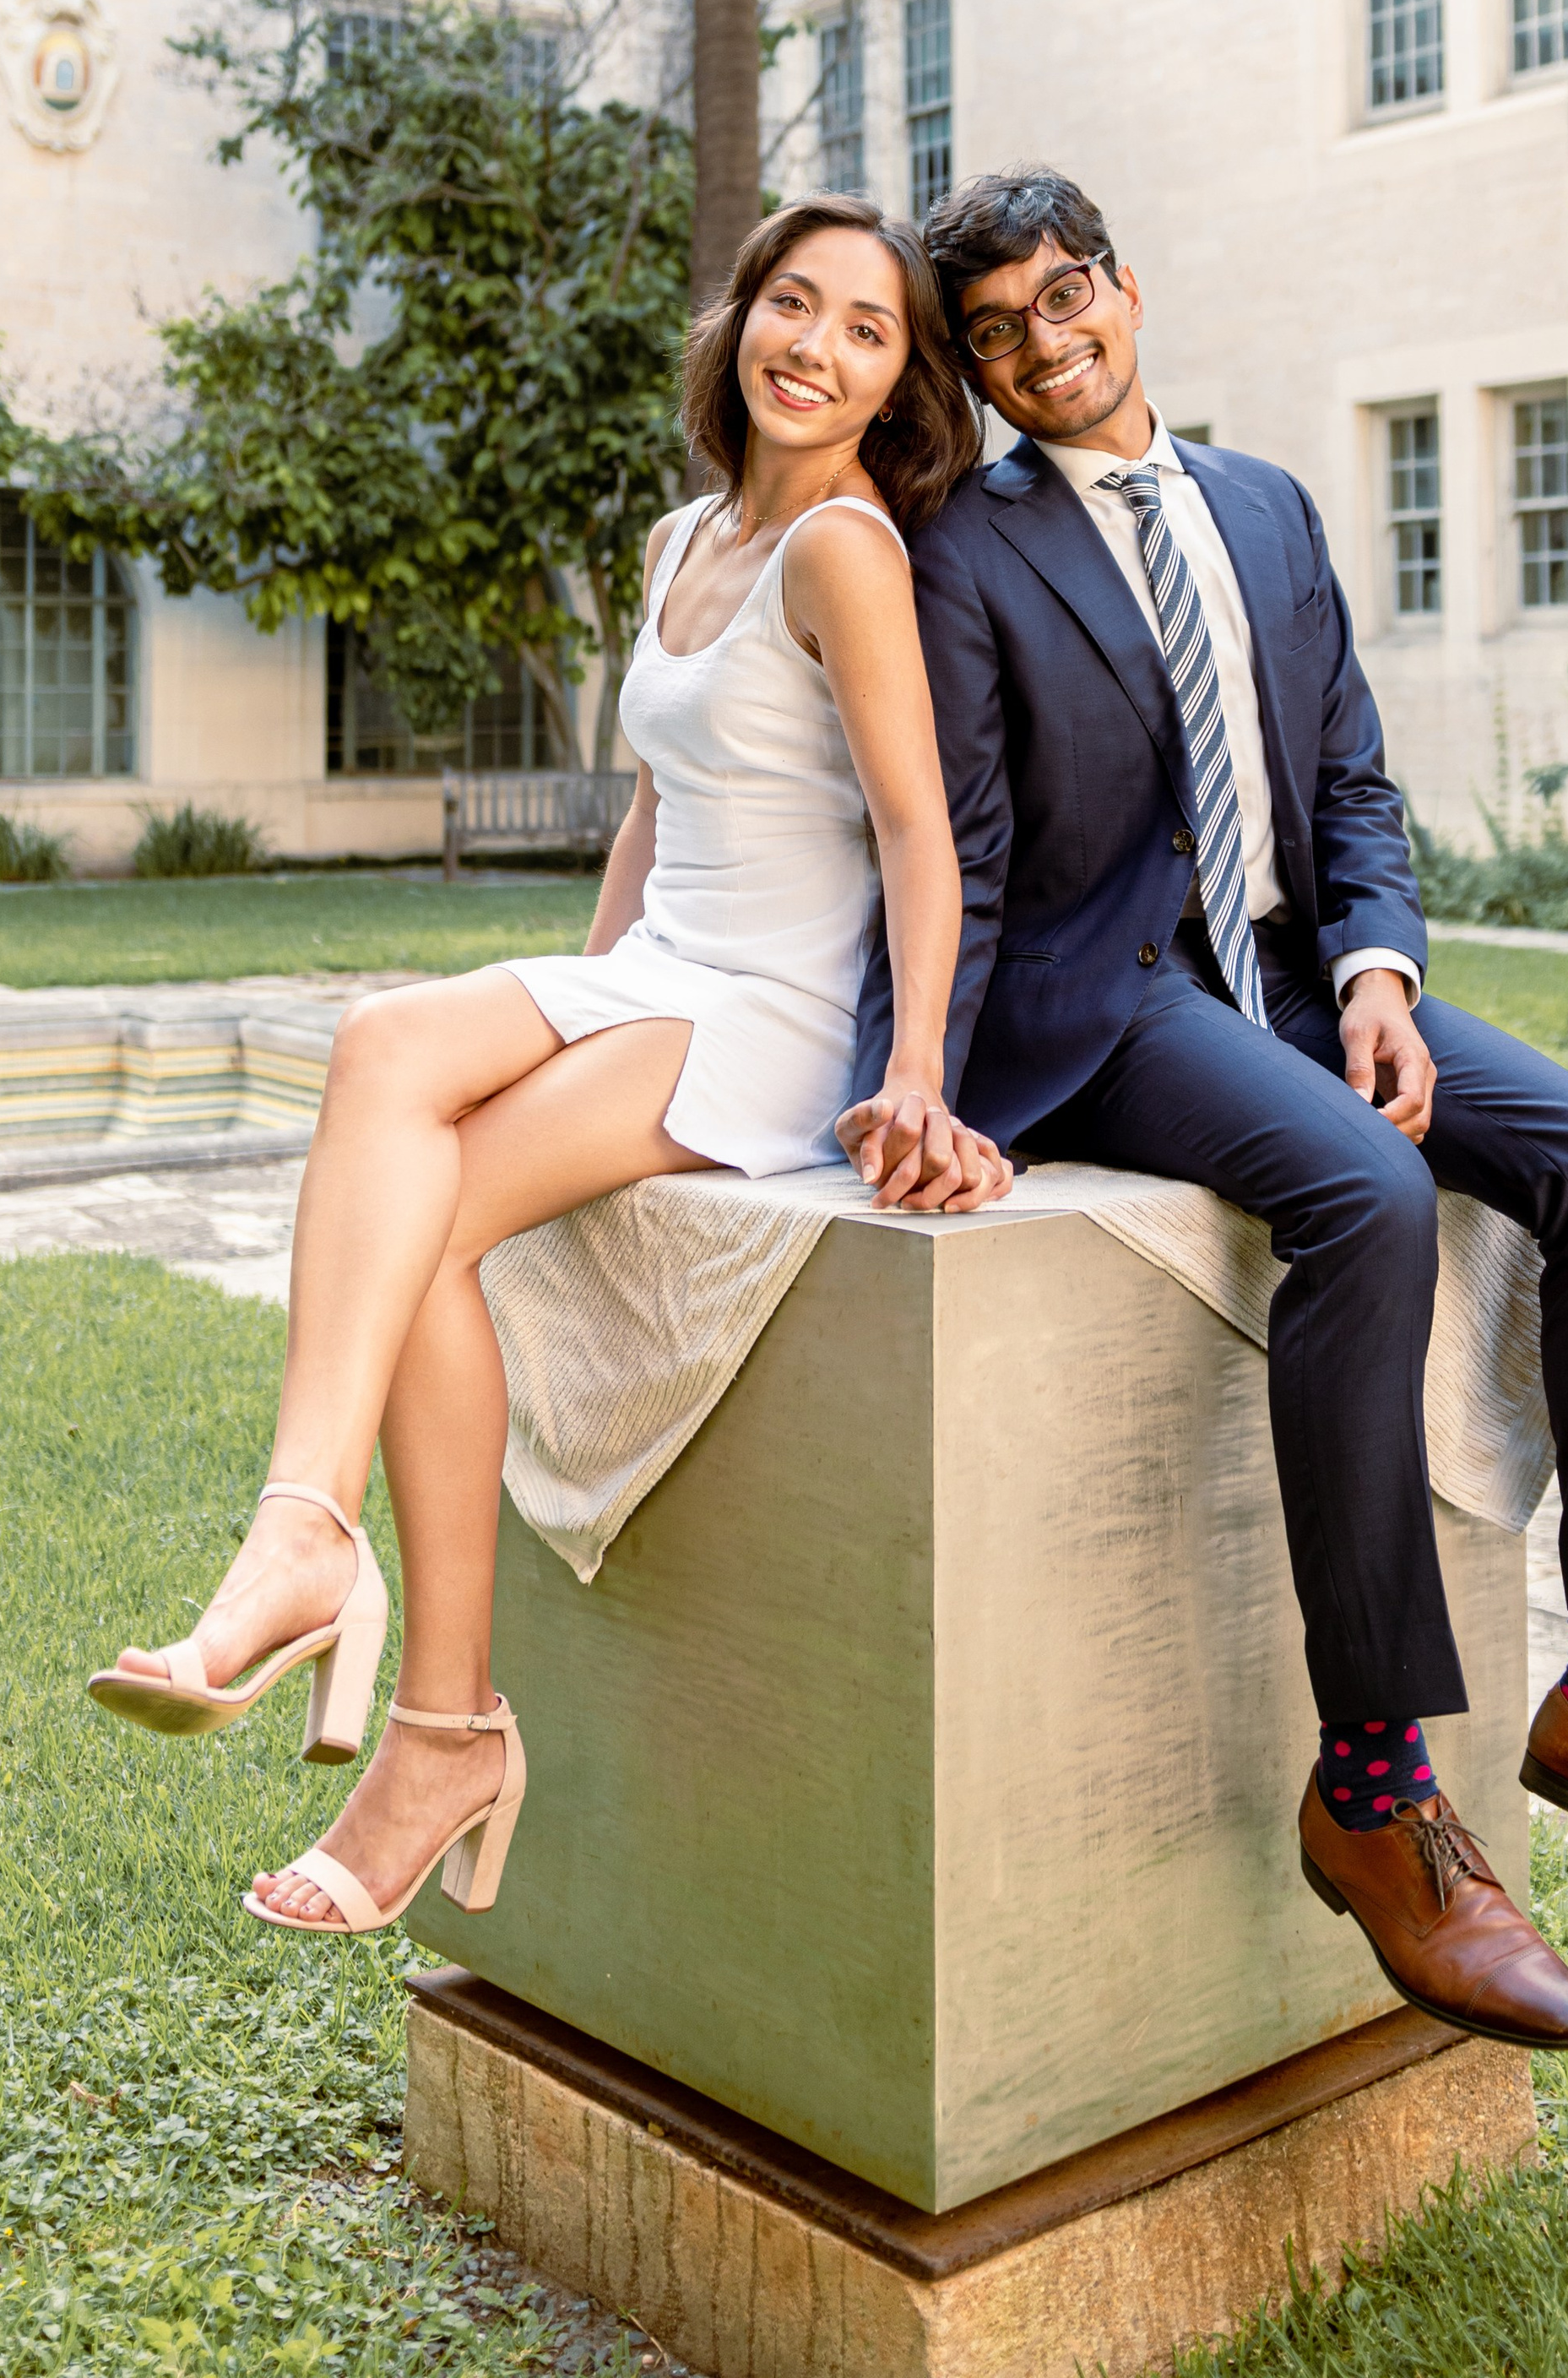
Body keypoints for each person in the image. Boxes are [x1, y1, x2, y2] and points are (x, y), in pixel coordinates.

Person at [851, 164, 1568, 2053]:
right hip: (1109, 1003)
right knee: (1360, 1198)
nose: (1042, 347)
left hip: (1305, 979)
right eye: (992, 333)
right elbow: (965, 850)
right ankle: (1375, 1789)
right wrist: (920, 1076)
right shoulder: (962, 551)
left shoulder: (1266, 504)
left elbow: (1351, 791)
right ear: (971, 368)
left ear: (1124, 288)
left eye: (1065, 299)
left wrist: (1379, 978)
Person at [89, 198, 1011, 1934]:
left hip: (775, 1016)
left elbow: (916, 830)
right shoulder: (683, 544)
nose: (812, 346)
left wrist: (921, 1069)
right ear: (738, 322)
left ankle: (380, 1647)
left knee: (425, 1196)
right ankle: (349, 1598)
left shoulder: (845, 551)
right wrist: (573, 1005)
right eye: (789, 304)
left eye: (866, 331)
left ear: (898, 385)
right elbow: (656, 806)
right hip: (661, 972)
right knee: (386, 1057)